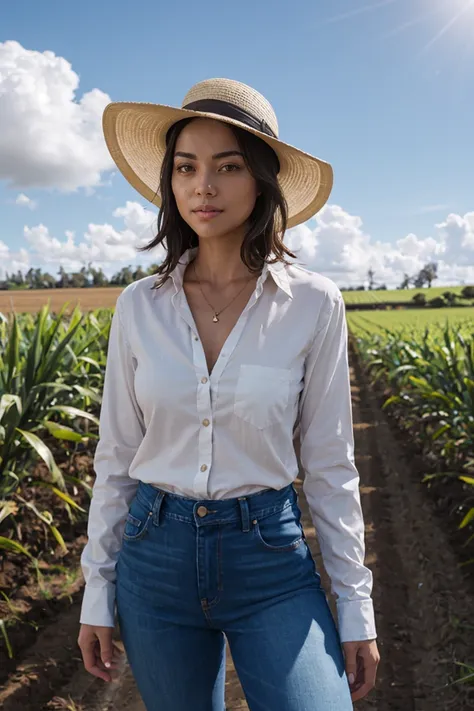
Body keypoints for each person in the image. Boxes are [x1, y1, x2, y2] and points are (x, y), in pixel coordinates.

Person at [77, 77, 380, 711]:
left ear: (262, 180)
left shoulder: (314, 302)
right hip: (154, 556)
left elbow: (330, 464)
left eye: (228, 166)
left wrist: (356, 608)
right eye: (186, 168)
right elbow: (116, 458)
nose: (202, 186)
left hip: (269, 558)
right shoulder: (140, 306)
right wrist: (97, 592)